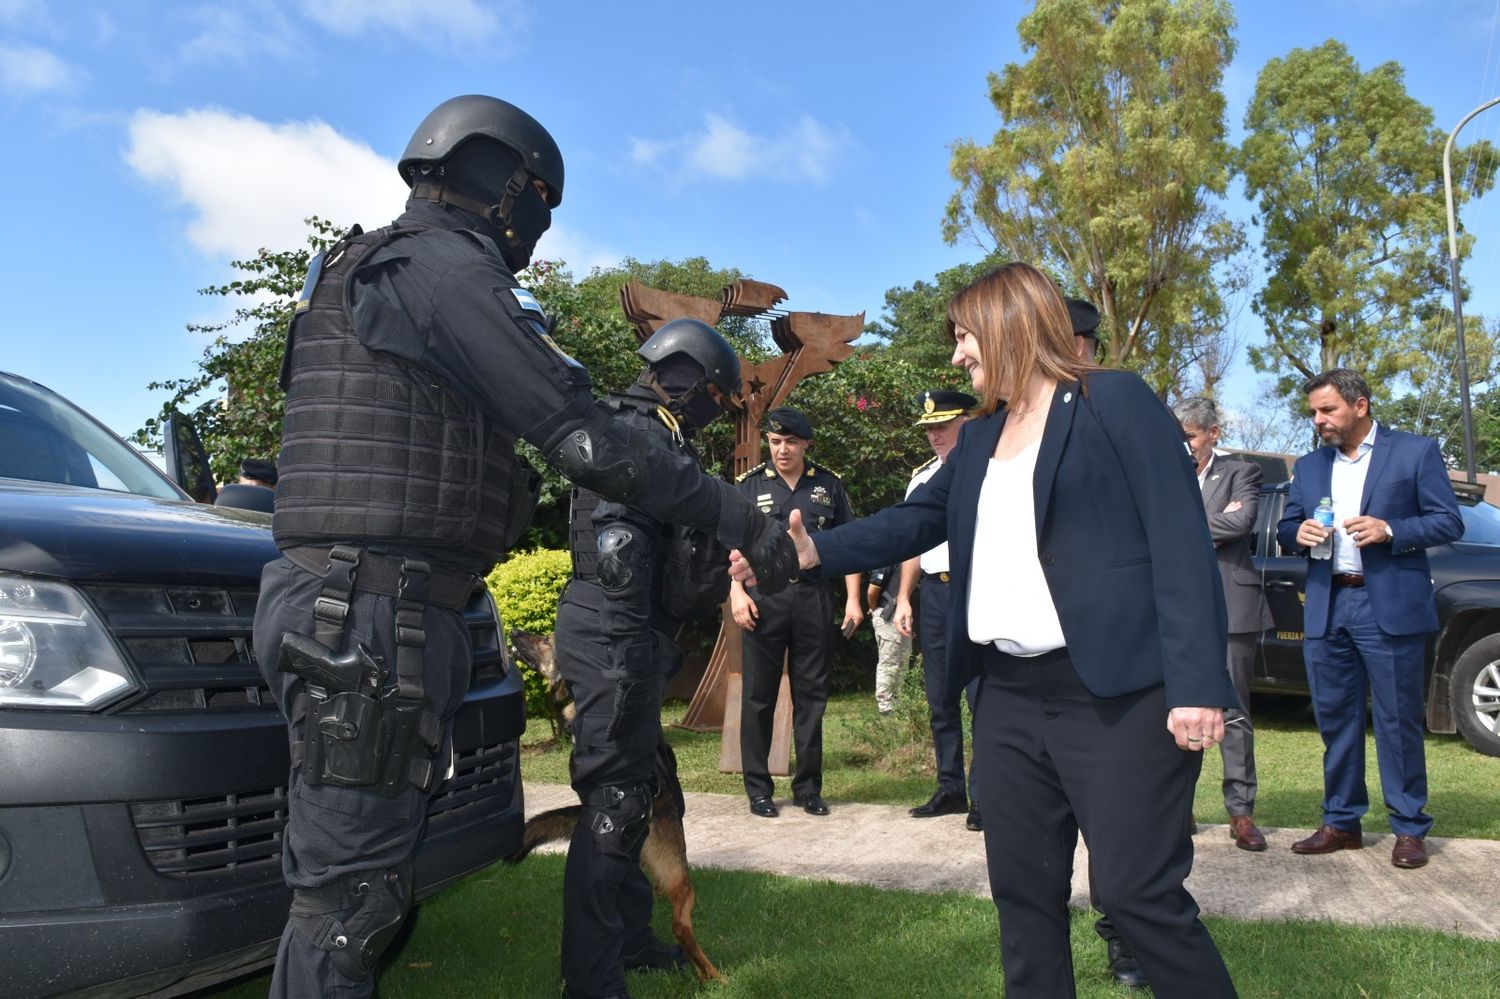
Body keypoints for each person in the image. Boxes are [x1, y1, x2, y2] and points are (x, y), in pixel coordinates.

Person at [251, 95, 796, 999]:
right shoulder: (442, 268)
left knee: (354, 887)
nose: (536, 229)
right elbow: (581, 432)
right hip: (367, 613)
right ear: (509, 188)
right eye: (539, 201)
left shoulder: (369, 268)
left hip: (362, 605)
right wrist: (741, 519)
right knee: (349, 904)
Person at [744, 262, 1240, 997]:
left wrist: (1198, 685)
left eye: (965, 337)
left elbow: (1179, 541)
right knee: (1024, 897)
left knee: (1139, 898)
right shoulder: (978, 437)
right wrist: (816, 551)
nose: (957, 356)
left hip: (1118, 699)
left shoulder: (1116, 401)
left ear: (1011, 325)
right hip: (1006, 696)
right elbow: (915, 519)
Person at [554, 318, 742, 999]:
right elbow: (621, 556)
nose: (713, 411)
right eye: (714, 396)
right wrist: (630, 654)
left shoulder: (647, 431)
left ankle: (629, 941)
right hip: (615, 629)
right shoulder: (634, 432)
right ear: (690, 376)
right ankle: (592, 981)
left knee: (636, 794)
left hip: (628, 631)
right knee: (614, 803)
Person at [1276, 369, 1462, 870]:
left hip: (1388, 606)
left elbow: (1448, 520)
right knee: (1335, 719)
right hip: (1327, 603)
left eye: (1328, 410)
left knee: (1398, 721)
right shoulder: (1311, 465)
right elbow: (1286, 525)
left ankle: (1408, 827)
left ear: (1360, 406)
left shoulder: (1414, 452)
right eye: (1314, 412)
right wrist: (1299, 533)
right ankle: (1341, 822)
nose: (1319, 421)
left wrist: (1390, 528)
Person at [730, 407, 862, 817]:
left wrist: (854, 598)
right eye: (774, 442)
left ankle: (808, 789)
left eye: (790, 442)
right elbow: (732, 547)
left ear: (805, 443)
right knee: (758, 696)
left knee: (812, 697)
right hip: (764, 601)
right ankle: (759, 790)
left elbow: (849, 545)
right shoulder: (749, 487)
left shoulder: (829, 486)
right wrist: (736, 591)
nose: (781, 450)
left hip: (812, 599)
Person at [1175, 396, 1273, 849]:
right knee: (1175, 709)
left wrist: (1178, 525)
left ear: (1213, 434)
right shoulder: (1166, 472)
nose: (1185, 444)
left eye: (1191, 435)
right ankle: (1178, 811)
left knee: (1234, 714)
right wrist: (1211, 523)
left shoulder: (1240, 471)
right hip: (1176, 610)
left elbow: (1243, 521)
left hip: (1232, 606)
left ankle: (1241, 813)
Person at [895, 389, 982, 831]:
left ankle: (984, 795)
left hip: (976, 590)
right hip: (933, 594)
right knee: (940, 698)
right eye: (929, 429)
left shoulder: (987, 472)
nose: (934, 436)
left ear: (966, 423)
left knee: (982, 697)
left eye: (942, 426)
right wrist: (903, 598)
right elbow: (912, 542)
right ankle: (951, 788)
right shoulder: (921, 479)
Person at [867, 561, 910, 715]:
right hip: (887, 615)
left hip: (901, 616)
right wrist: (874, 610)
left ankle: (898, 703)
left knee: (902, 663)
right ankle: (885, 706)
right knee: (889, 662)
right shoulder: (888, 558)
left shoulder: (906, 557)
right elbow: (872, 590)